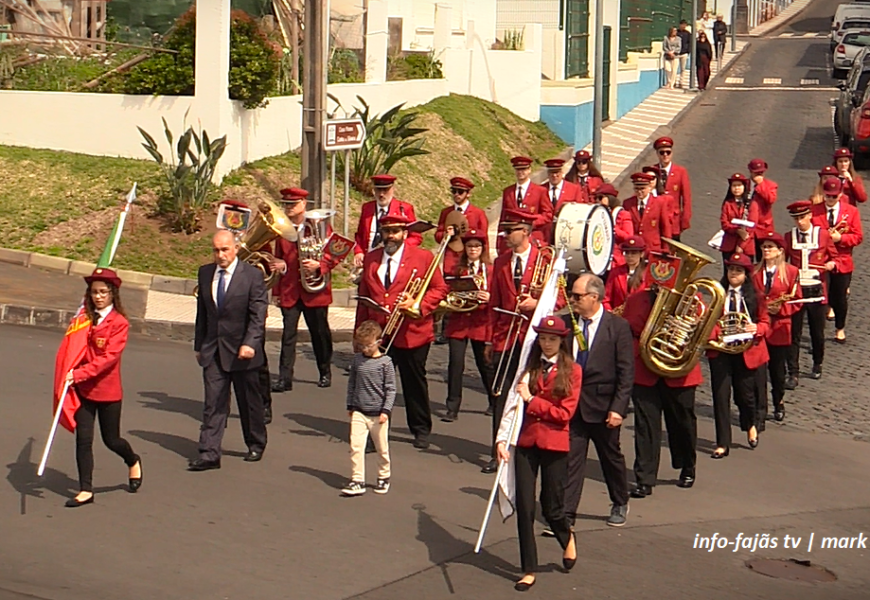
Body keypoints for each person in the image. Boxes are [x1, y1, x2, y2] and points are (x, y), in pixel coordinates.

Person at [494, 316, 581, 592]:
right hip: (526, 443)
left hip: (555, 444)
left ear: (561, 341)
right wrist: (502, 439)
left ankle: (566, 536)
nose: (546, 343)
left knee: (552, 506)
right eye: (542, 338)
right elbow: (511, 407)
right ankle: (528, 568)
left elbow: (564, 414)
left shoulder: (573, 371)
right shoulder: (528, 369)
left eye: (552, 339)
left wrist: (532, 400)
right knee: (525, 507)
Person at [355, 213, 449, 450]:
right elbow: (364, 297)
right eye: (387, 231)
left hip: (412, 332)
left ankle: (420, 429)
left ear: (405, 234)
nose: (391, 236)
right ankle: (373, 432)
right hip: (380, 332)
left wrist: (418, 305)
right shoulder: (372, 258)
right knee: (375, 383)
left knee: (413, 382)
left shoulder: (423, 257)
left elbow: (440, 289)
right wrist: (360, 333)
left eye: (396, 231)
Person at [190, 230, 269, 471]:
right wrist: (199, 345)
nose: (220, 255)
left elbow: (259, 315)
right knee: (213, 402)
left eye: (225, 249)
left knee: (249, 402)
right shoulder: (205, 273)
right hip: (213, 349)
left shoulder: (252, 276)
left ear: (235, 249)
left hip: (242, 350)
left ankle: (255, 442)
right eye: (216, 250)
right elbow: (202, 313)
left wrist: (250, 343)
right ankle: (209, 452)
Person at [63, 268, 141, 507]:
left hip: (107, 392)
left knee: (112, 440)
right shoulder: (83, 318)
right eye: (94, 292)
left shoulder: (119, 323)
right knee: (83, 439)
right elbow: (73, 347)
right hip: (84, 390)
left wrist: (78, 374)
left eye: (103, 292)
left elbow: (108, 358)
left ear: (112, 294)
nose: (98, 297)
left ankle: (132, 460)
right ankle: (85, 489)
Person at [623, 267, 703, 497]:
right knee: (645, 426)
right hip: (645, 367)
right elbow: (629, 327)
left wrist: (686, 330)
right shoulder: (638, 299)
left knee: (683, 422)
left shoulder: (692, 299)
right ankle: (644, 479)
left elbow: (708, 330)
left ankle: (688, 465)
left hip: (679, 368)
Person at [561, 274, 633, 528]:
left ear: (594, 297)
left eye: (578, 296)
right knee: (571, 459)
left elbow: (626, 372)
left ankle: (619, 500)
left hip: (603, 406)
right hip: (574, 405)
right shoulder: (567, 322)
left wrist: (618, 409)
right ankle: (567, 514)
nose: (573, 300)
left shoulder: (618, 326)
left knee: (610, 457)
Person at [483, 209, 548, 474]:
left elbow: (558, 298)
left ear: (525, 231)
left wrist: (538, 303)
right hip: (505, 336)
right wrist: (489, 340)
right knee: (501, 395)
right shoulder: (501, 262)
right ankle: (498, 450)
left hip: (534, 336)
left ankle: (530, 448)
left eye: (510, 231)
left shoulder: (545, 259)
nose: (506, 236)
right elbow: (493, 304)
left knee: (534, 394)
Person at [269, 188, 339, 394]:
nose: (288, 208)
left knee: (320, 333)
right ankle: (284, 377)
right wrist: (277, 286)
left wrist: (319, 266)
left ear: (304, 204)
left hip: (315, 290)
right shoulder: (282, 229)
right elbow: (278, 258)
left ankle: (324, 371)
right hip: (291, 290)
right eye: (286, 204)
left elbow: (334, 253)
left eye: (293, 204)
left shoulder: (319, 226)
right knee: (288, 335)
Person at [706, 252, 769, 458]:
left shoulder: (756, 296)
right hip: (722, 350)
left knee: (746, 396)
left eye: (738, 270)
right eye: (731, 269)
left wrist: (756, 328)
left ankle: (750, 423)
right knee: (720, 397)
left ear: (746, 275)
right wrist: (716, 332)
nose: (734, 273)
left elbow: (766, 323)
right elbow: (708, 320)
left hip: (745, 351)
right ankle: (722, 442)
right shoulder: (718, 293)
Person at [784, 201, 838, 387]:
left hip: (817, 289)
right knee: (794, 333)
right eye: (796, 218)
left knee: (817, 332)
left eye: (802, 217)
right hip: (797, 291)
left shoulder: (823, 235)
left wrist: (831, 264)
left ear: (809, 216)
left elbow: (834, 257)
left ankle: (817, 362)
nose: (799, 222)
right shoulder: (789, 237)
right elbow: (783, 262)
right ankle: (793, 372)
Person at [443, 231, 495, 422]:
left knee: (485, 364)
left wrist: (489, 297)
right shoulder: (458, 270)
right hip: (459, 322)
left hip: (480, 321)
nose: (473, 249)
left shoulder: (490, 269)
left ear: (482, 249)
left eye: (477, 246)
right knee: (455, 365)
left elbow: (498, 293)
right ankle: (452, 407)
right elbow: (448, 292)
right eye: (470, 246)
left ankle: (493, 400)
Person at [341, 320, 396, 497]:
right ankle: (357, 480)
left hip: (378, 413)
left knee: (382, 447)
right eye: (361, 345)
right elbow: (352, 384)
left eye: (368, 345)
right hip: (359, 410)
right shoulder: (357, 360)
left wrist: (386, 411)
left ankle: (383, 476)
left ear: (379, 342)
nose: (364, 349)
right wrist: (350, 404)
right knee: (356, 446)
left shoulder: (385, 362)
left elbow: (391, 389)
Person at [752, 232, 801, 422]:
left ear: (780, 251)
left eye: (770, 247)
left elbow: (797, 300)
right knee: (758, 370)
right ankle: (760, 407)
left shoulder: (791, 272)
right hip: (759, 326)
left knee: (777, 371)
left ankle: (778, 401)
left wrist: (780, 307)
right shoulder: (754, 272)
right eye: (764, 247)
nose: (766, 250)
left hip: (780, 326)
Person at [811, 178, 863, 343]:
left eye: (834, 196)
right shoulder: (814, 210)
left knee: (839, 297)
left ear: (840, 194)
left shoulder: (851, 211)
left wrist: (840, 238)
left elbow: (858, 236)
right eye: (828, 196)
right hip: (821, 261)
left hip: (842, 259)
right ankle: (818, 336)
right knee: (820, 298)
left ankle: (840, 328)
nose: (831, 199)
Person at [352, 174, 422, 267]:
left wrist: (398, 247)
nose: (381, 194)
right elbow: (360, 235)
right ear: (374, 190)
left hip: (395, 260)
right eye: (378, 190)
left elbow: (416, 237)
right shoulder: (367, 208)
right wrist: (359, 252)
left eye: (385, 190)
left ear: (393, 189)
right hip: (370, 260)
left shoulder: (405, 208)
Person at [498, 156, 554, 253]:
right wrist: (499, 242)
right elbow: (503, 217)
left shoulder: (540, 191)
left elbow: (548, 214)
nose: (520, 172)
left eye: (523, 169)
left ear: (529, 170)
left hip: (532, 236)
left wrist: (531, 223)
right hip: (512, 238)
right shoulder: (508, 191)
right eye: (518, 169)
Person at [435, 176, 489, 267]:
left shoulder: (478, 213)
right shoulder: (446, 212)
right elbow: (437, 236)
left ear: (468, 194)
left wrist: (485, 261)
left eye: (460, 192)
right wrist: (446, 234)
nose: (456, 194)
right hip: (451, 259)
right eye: (454, 191)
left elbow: (484, 239)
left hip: (471, 258)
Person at [622, 172, 672, 254]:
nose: (639, 192)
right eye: (636, 189)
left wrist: (666, 249)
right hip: (634, 249)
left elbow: (665, 227)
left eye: (642, 188)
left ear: (649, 188)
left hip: (653, 249)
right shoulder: (628, 203)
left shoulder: (659, 203)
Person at [654, 137, 692, 241]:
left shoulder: (680, 171)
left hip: (674, 220)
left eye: (668, 152)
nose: (665, 155)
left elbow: (686, 198)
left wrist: (685, 220)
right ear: (657, 154)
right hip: (656, 219)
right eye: (662, 153)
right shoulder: (653, 171)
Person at [719, 173, 759, 269]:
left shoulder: (752, 204)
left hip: (746, 246)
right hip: (729, 245)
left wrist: (741, 246)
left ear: (744, 187)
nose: (736, 188)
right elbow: (724, 223)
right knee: (727, 273)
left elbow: (751, 227)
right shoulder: (727, 204)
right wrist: (737, 230)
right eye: (734, 186)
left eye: (739, 185)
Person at [594, 183, 634, 271]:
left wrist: (612, 227)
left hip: (616, 261)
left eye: (600, 198)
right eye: (595, 198)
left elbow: (628, 236)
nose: (597, 200)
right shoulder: (596, 214)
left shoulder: (622, 214)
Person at [604, 236, 648, 313]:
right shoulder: (615, 272)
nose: (629, 256)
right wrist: (610, 312)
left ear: (642, 254)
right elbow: (606, 298)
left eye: (633, 253)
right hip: (617, 318)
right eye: (627, 253)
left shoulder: (647, 273)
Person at [748, 159, 778, 259]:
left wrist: (760, 185)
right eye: (756, 173)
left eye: (761, 172)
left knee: (763, 257)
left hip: (764, 227)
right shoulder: (744, 185)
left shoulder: (770, 185)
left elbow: (771, 199)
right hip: (747, 226)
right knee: (747, 257)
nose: (759, 175)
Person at [676, 20, 692, 87]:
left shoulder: (688, 33)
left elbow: (690, 43)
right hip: (676, 53)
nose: (683, 26)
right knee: (675, 68)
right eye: (682, 24)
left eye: (684, 25)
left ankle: (681, 82)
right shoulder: (676, 33)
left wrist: (688, 51)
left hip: (684, 53)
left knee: (683, 69)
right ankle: (674, 81)